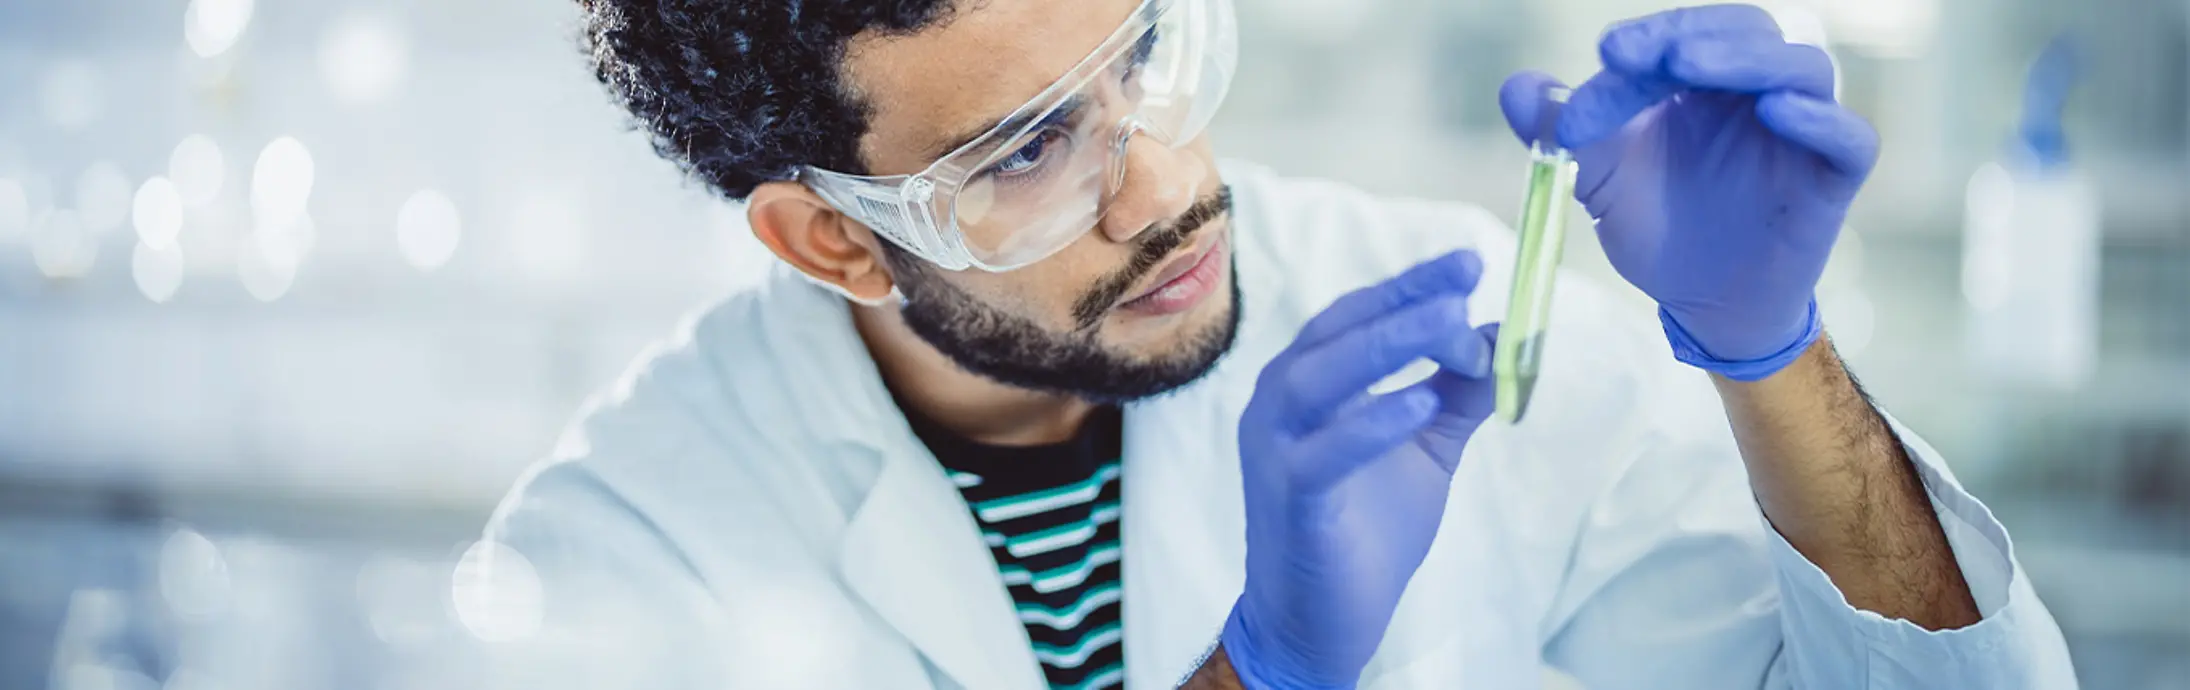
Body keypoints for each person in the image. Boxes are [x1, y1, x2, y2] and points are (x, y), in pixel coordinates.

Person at [480, 0, 2078, 687]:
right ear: (832, 234)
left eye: (1148, 54)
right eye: (1032, 148)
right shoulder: (626, 549)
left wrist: (1763, 349)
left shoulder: (1437, 315)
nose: (1168, 184)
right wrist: (1269, 667)